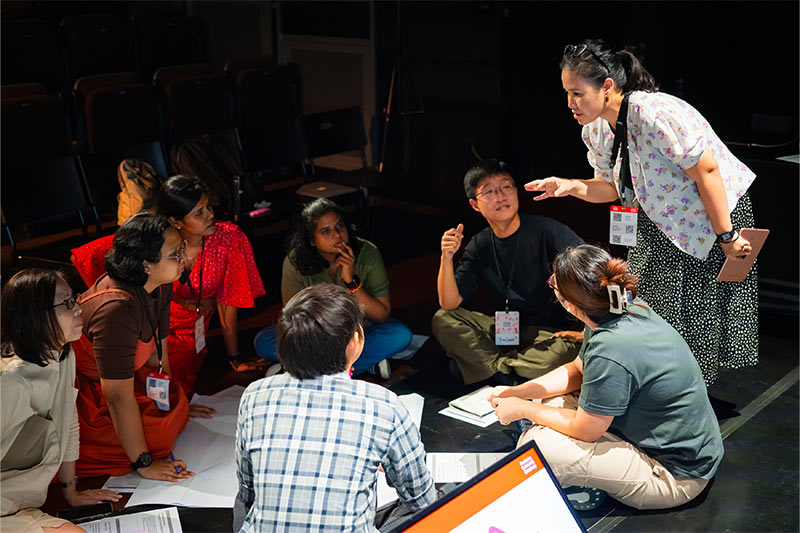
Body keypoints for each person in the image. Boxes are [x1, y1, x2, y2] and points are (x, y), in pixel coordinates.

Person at [525, 39, 757, 385]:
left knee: (697, 309)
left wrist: (726, 235)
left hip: (710, 217)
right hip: (659, 219)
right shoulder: (596, 129)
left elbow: (707, 171)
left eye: (577, 93)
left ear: (606, 87)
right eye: (566, 94)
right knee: (648, 303)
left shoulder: (653, 113)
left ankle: (684, 394)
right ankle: (660, 384)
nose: (570, 103)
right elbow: (611, 187)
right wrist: (570, 185)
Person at [489, 244, 723, 510]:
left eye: (553, 282)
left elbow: (586, 430)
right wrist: (522, 392)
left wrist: (524, 409)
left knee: (537, 447)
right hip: (678, 449)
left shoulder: (612, 347)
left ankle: (581, 480)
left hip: (673, 475)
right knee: (548, 405)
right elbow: (579, 370)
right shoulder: (618, 308)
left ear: (569, 304)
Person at [235, 284, 436, 531]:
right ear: (355, 342)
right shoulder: (383, 405)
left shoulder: (254, 395)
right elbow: (422, 499)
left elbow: (248, 488)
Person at [73, 212, 214, 478]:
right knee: (158, 436)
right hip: (87, 393)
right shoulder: (116, 309)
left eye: (182, 248)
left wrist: (173, 404)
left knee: (175, 407)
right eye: (175, 254)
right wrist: (144, 463)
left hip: (127, 378)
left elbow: (158, 351)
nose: (184, 258)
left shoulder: (160, 284)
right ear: (146, 264)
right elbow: (115, 395)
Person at [433, 158, 585, 385]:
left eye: (506, 187)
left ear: (515, 192)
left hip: (550, 333)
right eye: (490, 192)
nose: (501, 196)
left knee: (565, 354)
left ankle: (490, 370)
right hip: (504, 330)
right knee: (443, 319)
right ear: (475, 204)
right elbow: (449, 304)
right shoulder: (480, 243)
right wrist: (446, 258)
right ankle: (509, 372)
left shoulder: (547, 231)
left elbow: (589, 269)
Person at [1, 269, 121, 533]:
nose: (78, 308)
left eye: (74, 298)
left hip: (23, 503)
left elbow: (69, 421)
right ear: (36, 315)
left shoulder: (63, 354)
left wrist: (72, 493)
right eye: (67, 303)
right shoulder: (10, 381)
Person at [253, 198, 411, 377]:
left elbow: (381, 316)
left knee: (399, 335)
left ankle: (302, 372)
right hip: (315, 337)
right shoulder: (295, 261)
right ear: (312, 240)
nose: (337, 235)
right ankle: (357, 366)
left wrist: (351, 282)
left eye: (340, 226)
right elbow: (293, 319)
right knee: (263, 341)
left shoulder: (368, 253)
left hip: (357, 333)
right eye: (326, 231)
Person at [155, 175, 268, 395]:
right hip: (154, 330)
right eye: (199, 212)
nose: (210, 215)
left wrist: (234, 358)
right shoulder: (156, 241)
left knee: (179, 385)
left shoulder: (229, 238)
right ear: (175, 221)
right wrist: (179, 301)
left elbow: (229, 302)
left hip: (192, 334)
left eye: (208, 207)